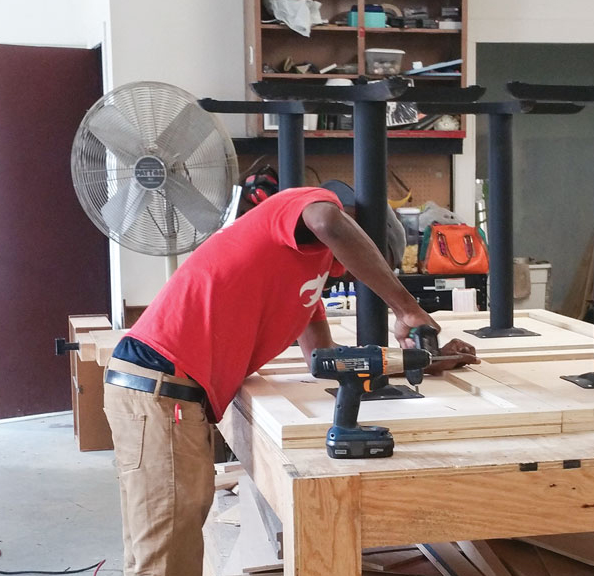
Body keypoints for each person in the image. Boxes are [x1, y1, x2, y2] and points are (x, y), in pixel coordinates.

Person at [103, 182, 478, 576]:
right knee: (167, 559)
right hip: (161, 388)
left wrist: (422, 360)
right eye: (368, 262)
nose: (355, 272)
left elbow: (326, 360)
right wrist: (407, 309)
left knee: (160, 548)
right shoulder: (311, 206)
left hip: (169, 394)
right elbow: (328, 222)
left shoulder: (305, 277)